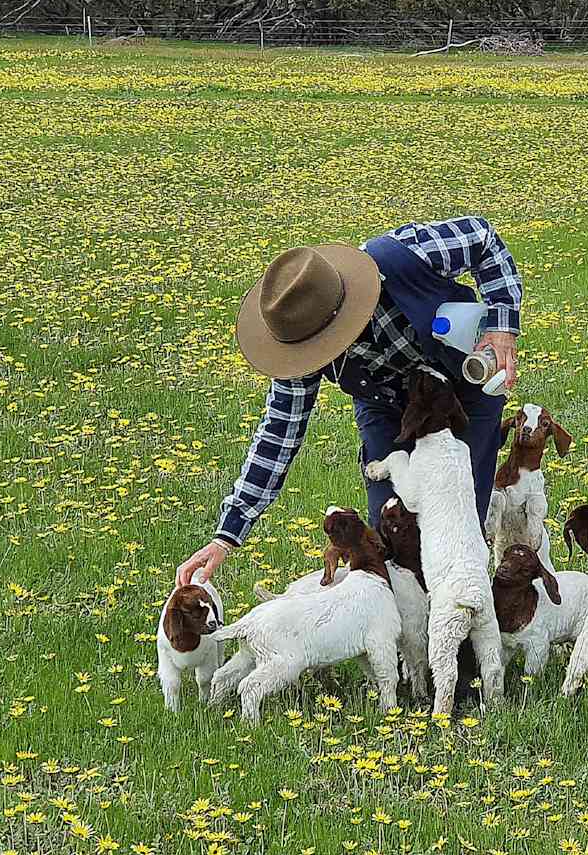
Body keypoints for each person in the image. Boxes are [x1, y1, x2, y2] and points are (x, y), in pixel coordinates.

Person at [175, 217, 521, 587]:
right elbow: (278, 436)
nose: (323, 352)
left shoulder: (400, 257)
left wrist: (502, 326)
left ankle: (464, 625)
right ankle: (407, 634)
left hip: (463, 389)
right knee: (391, 527)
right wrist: (226, 536)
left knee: (457, 521)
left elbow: (482, 238)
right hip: (388, 408)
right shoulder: (300, 345)